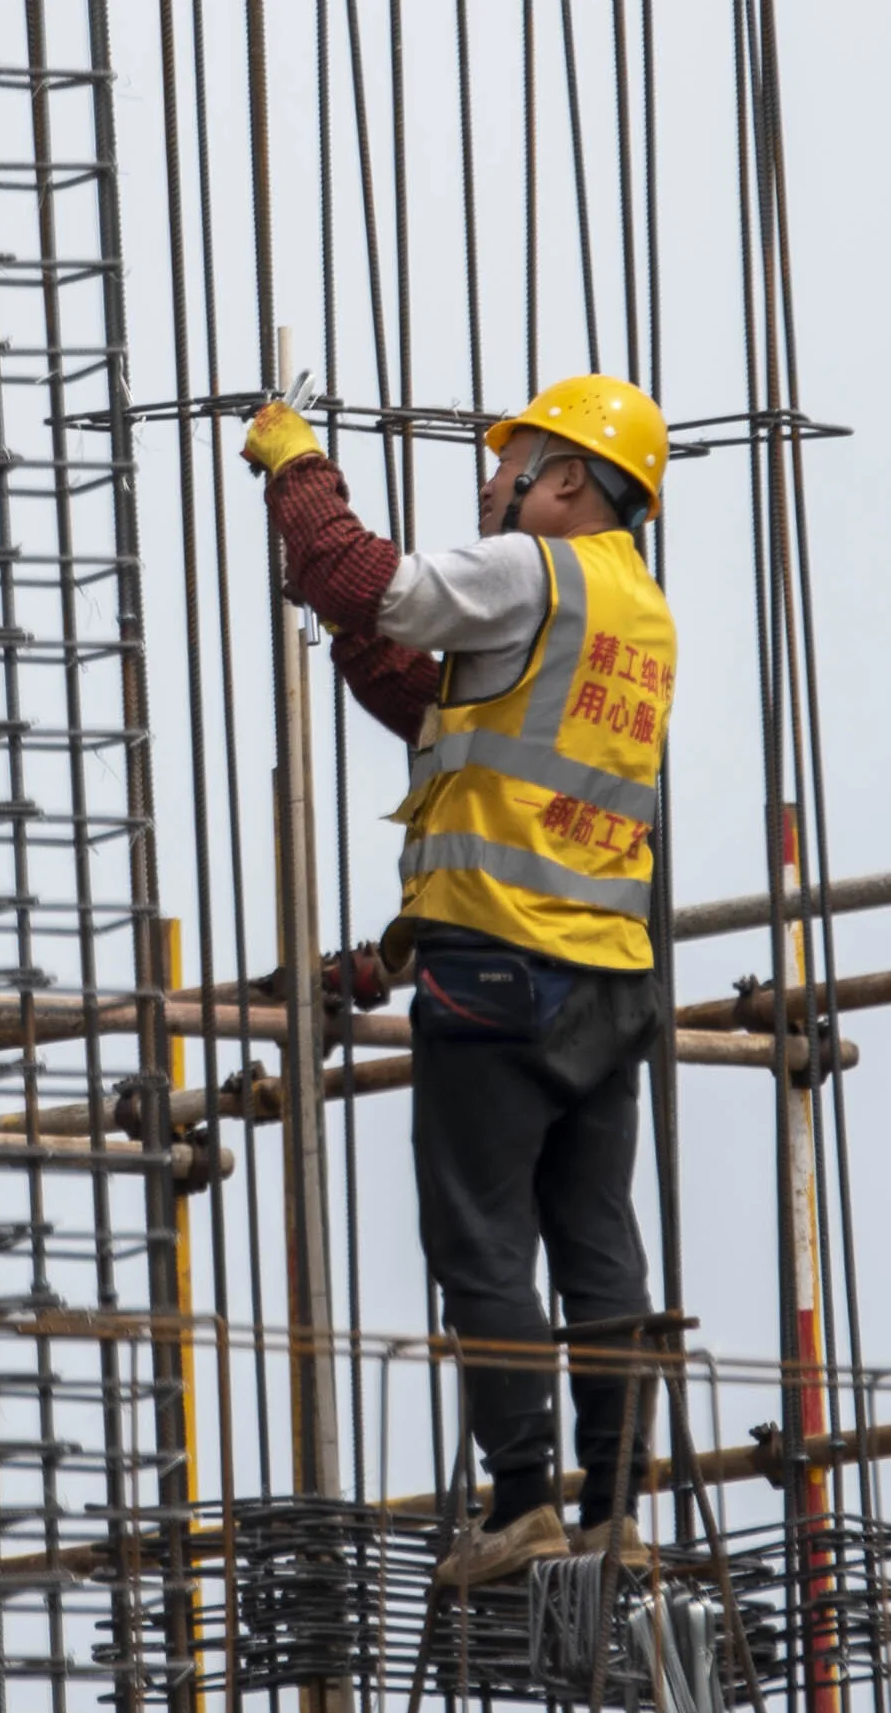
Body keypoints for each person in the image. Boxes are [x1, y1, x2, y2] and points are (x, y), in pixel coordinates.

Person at [241, 375, 688, 1590]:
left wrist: (298, 469)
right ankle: (613, 1506)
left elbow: (359, 577)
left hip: (498, 969)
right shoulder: (638, 612)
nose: (491, 485)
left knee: (481, 1238)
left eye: (512, 466)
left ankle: (525, 1501)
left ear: (566, 483)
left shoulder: (533, 570)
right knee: (597, 1239)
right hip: (613, 980)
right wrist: (355, 633)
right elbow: (443, 709)